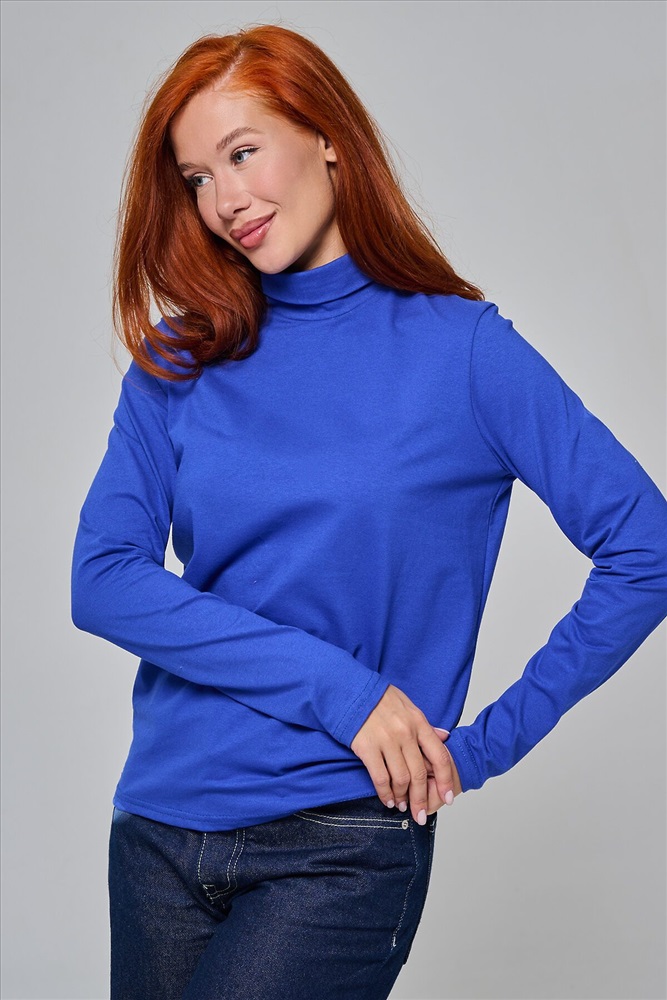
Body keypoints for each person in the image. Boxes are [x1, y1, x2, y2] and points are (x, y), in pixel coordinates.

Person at [70, 23, 667, 1000]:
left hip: (337, 841)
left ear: (327, 137)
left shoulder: (462, 351)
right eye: (196, 178)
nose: (224, 200)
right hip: (159, 829)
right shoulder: (180, 360)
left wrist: (479, 748)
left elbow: (645, 546)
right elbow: (102, 581)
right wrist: (341, 690)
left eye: (242, 153)